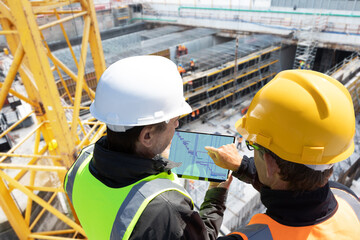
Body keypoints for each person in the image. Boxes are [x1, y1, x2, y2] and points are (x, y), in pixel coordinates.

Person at [64, 55, 232, 240]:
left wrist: (155, 159)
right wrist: (217, 192)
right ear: (147, 136)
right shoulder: (167, 208)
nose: (177, 126)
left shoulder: (80, 165)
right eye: (175, 121)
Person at [205, 70, 360, 239]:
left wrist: (215, 196)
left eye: (253, 146)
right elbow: (292, 190)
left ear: (270, 164)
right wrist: (242, 165)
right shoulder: (348, 199)